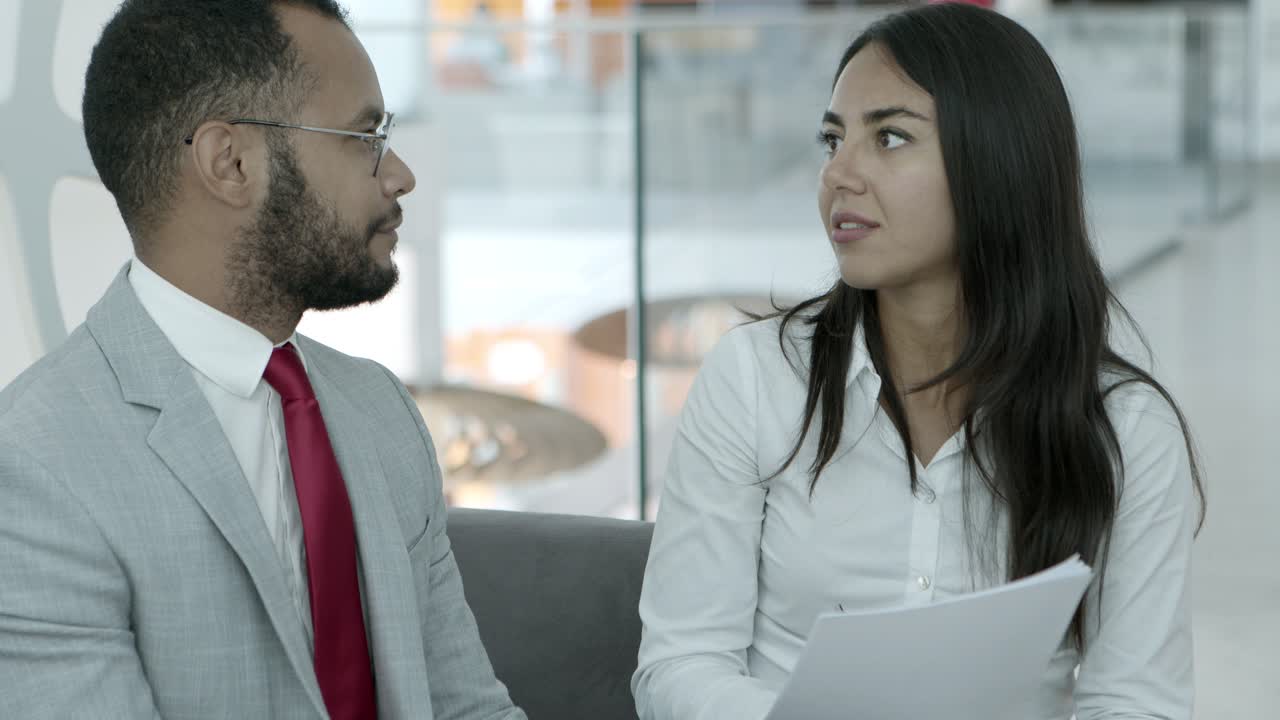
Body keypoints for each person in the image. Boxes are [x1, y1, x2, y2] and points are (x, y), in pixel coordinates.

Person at [631, 4, 1204, 720]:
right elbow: (680, 664)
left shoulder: (1127, 428)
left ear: (998, 162)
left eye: (890, 137)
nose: (839, 173)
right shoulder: (753, 378)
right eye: (833, 139)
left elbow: (1137, 702)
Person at [0, 1, 526, 718]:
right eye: (364, 137)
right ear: (232, 163)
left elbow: (467, 707)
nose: (400, 175)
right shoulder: (35, 467)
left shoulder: (381, 410)